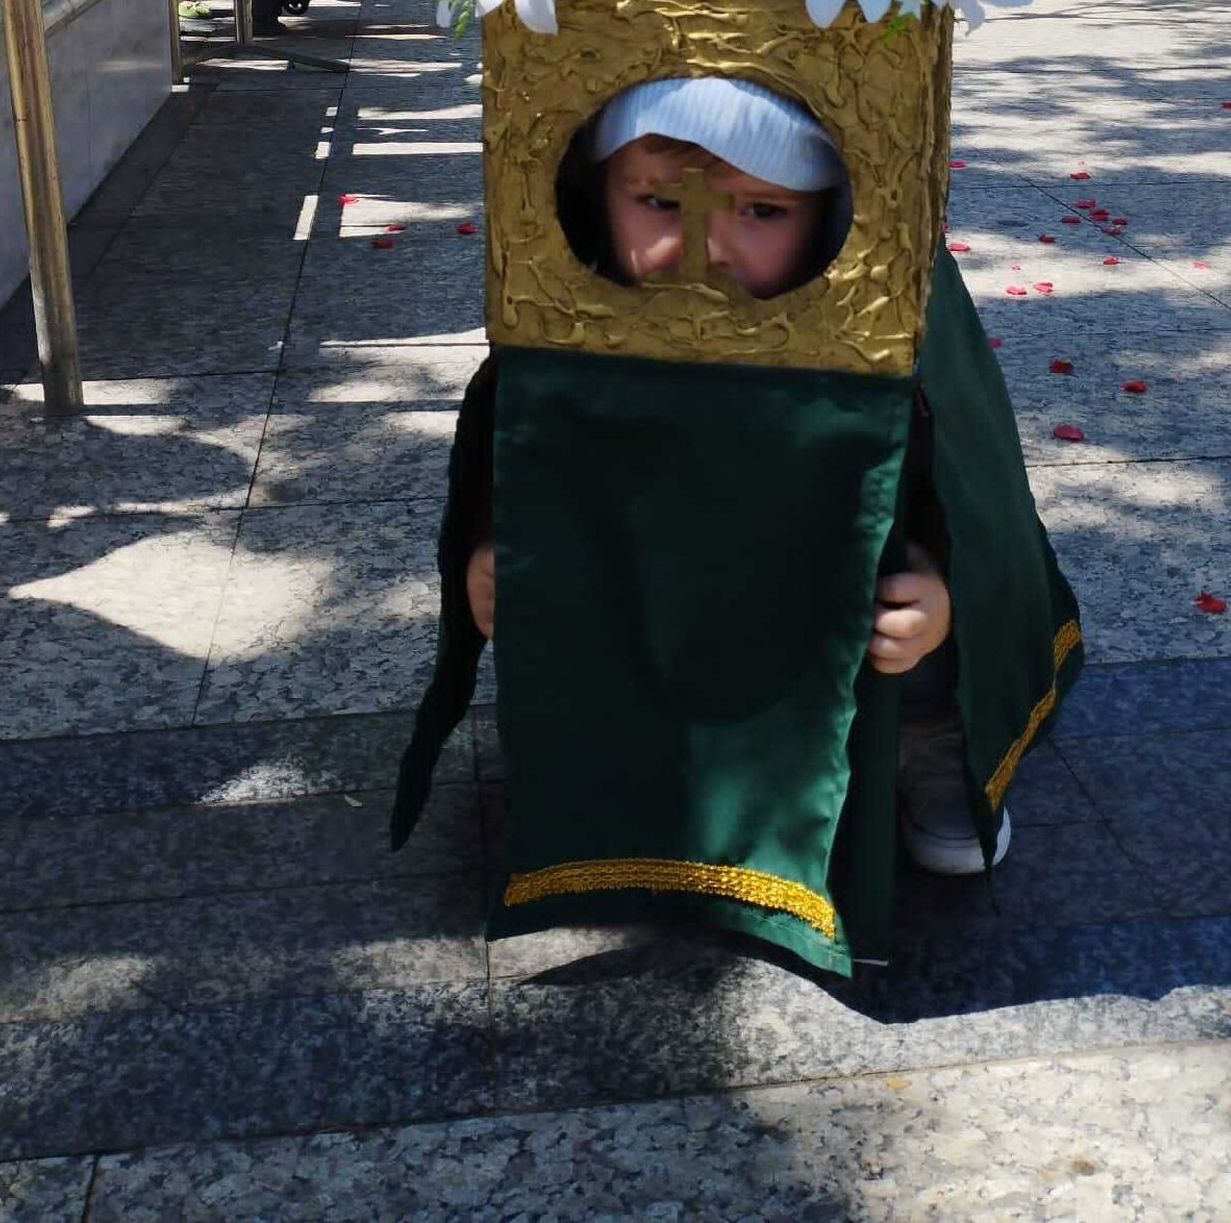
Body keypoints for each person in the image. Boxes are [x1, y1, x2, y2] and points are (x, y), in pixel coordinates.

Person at [421, 77, 1069, 886]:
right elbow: (523, 469)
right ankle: (637, 754)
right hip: (665, 611)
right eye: (660, 201)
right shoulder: (567, 336)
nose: (705, 247)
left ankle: (927, 735)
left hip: (833, 611)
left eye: (761, 210)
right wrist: (498, 555)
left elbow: (977, 510)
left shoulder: (899, 331)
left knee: (899, 588)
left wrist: (942, 599)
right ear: (596, 191)